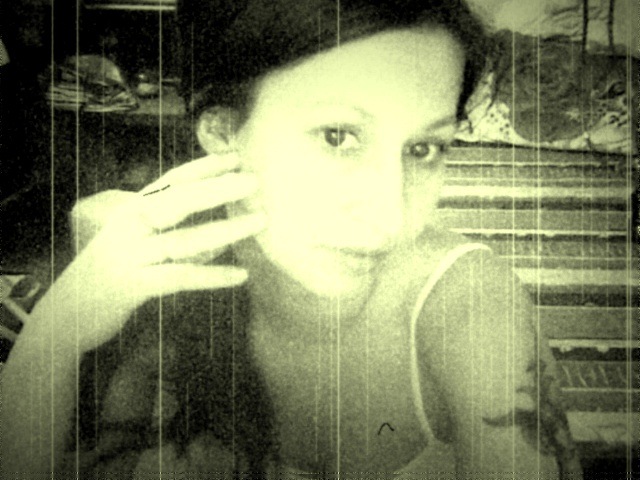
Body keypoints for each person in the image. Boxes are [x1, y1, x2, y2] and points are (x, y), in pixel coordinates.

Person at [0, 0, 583, 478]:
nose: (389, 214)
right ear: (224, 132)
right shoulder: (134, 274)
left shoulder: (469, 304)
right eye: (338, 136)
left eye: (423, 148)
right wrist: (58, 329)